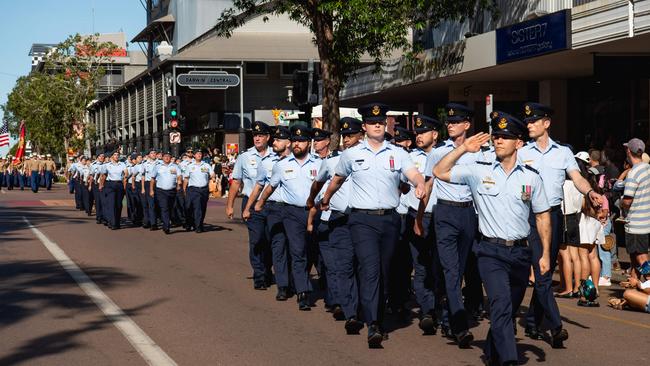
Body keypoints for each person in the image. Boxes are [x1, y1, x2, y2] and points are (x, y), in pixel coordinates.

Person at [433, 111, 551, 366]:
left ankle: (493, 349)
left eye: (505, 137)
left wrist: (545, 255)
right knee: (500, 305)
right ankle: (509, 359)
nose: (498, 140)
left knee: (508, 308)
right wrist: (463, 148)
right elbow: (439, 171)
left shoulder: (531, 176)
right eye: (496, 136)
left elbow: (542, 216)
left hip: (521, 253)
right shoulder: (478, 171)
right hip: (490, 251)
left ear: (518, 143)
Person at [320, 103, 425, 348]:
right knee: (370, 268)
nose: (377, 125)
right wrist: (325, 199)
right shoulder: (351, 154)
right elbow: (336, 180)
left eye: (381, 121)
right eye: (372, 122)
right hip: (362, 220)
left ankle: (375, 310)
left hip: (389, 219)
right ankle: (374, 324)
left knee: (383, 270)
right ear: (365, 127)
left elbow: (413, 174)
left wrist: (420, 183)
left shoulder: (397, 153)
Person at [518, 102, 602, 346]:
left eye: (533, 121)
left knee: (545, 271)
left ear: (546, 123)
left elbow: (577, 178)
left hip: (554, 216)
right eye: (527, 122)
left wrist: (590, 194)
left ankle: (532, 322)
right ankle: (556, 327)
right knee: (543, 273)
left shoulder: (563, 152)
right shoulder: (522, 153)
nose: (529, 125)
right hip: (532, 218)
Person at [422, 103, 483, 347]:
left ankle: (448, 315)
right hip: (445, 212)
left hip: (469, 213)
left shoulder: (480, 153)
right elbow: (428, 184)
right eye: (448, 122)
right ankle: (459, 326)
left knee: (462, 270)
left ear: (467, 125)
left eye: (455, 122)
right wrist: (419, 216)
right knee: (451, 270)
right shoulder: (438, 152)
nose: (450, 125)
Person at [255, 124, 322, 311]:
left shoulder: (319, 163)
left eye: (301, 141)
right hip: (291, 213)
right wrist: (260, 202)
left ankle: (313, 285)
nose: (297, 144)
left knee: (313, 252)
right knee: (297, 251)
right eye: (295, 141)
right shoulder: (282, 165)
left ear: (308, 143)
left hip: (315, 213)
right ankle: (303, 293)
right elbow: (271, 186)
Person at [306, 118, 364, 326]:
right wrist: (312, 202)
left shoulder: (370, 161)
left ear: (361, 136)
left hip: (363, 219)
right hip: (338, 219)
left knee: (365, 266)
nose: (347, 140)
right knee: (342, 265)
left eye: (352, 136)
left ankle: (362, 305)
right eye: (345, 136)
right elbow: (317, 184)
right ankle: (346, 306)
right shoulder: (331, 162)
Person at [403, 115, 444, 335]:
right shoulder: (409, 158)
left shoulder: (445, 155)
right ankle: (427, 312)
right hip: (416, 217)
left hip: (441, 218)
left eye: (423, 132)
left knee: (440, 268)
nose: (418, 136)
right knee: (420, 268)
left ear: (435, 134)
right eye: (417, 133)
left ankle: (440, 309)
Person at [245, 125, 292, 301]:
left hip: (294, 209)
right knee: (276, 246)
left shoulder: (301, 160)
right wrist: (248, 207)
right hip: (272, 208)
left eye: (278, 139)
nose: (275, 142)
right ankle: (282, 285)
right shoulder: (266, 163)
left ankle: (296, 283)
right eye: (275, 139)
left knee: (296, 249)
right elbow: (258, 187)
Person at [227, 121, 273, 290]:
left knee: (270, 240)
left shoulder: (277, 156)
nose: (257, 138)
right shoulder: (244, 157)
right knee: (257, 239)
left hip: (271, 204)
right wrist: (230, 205)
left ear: (268, 137)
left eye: (261, 135)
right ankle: (259, 275)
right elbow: (236, 182)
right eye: (255, 135)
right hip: (251, 204)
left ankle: (267, 270)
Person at [620, 138, 650, 277]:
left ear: (628, 151)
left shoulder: (634, 173)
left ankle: (649, 280)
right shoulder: (647, 169)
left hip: (636, 224)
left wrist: (619, 202)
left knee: (641, 258)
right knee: (636, 259)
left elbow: (627, 201)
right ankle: (637, 286)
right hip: (646, 221)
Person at [150, 151, 182, 234]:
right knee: (164, 208)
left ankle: (166, 222)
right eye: (165, 156)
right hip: (161, 191)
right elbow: (152, 179)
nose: (167, 158)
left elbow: (179, 175)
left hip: (172, 191)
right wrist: (151, 190)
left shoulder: (175, 166)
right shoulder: (158, 167)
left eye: (168, 156)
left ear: (171, 158)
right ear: (162, 157)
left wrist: (179, 182)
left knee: (171, 207)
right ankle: (166, 226)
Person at [183, 149, 215, 233]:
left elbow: (212, 174)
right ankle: (197, 226)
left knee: (202, 207)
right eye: (197, 154)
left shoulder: (206, 165)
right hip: (193, 189)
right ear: (194, 155)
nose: (199, 155)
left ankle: (198, 224)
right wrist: (184, 189)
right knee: (195, 207)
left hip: (204, 189)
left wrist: (213, 177)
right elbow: (186, 178)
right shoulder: (190, 166)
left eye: (200, 154)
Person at [100, 151, 128, 230]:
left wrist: (125, 176)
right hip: (110, 185)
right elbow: (103, 176)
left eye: (117, 155)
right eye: (115, 155)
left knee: (118, 205)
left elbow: (126, 172)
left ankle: (117, 222)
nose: (116, 156)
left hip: (119, 184)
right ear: (111, 156)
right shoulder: (107, 165)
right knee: (112, 204)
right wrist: (101, 185)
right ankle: (112, 223)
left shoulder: (122, 164)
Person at [90, 153, 106, 224]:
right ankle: (99, 217)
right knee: (98, 201)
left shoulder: (106, 165)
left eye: (103, 156)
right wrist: (90, 185)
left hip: (105, 185)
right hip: (96, 185)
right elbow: (91, 176)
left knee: (104, 201)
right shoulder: (93, 165)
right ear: (97, 157)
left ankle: (104, 216)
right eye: (100, 156)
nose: (102, 157)